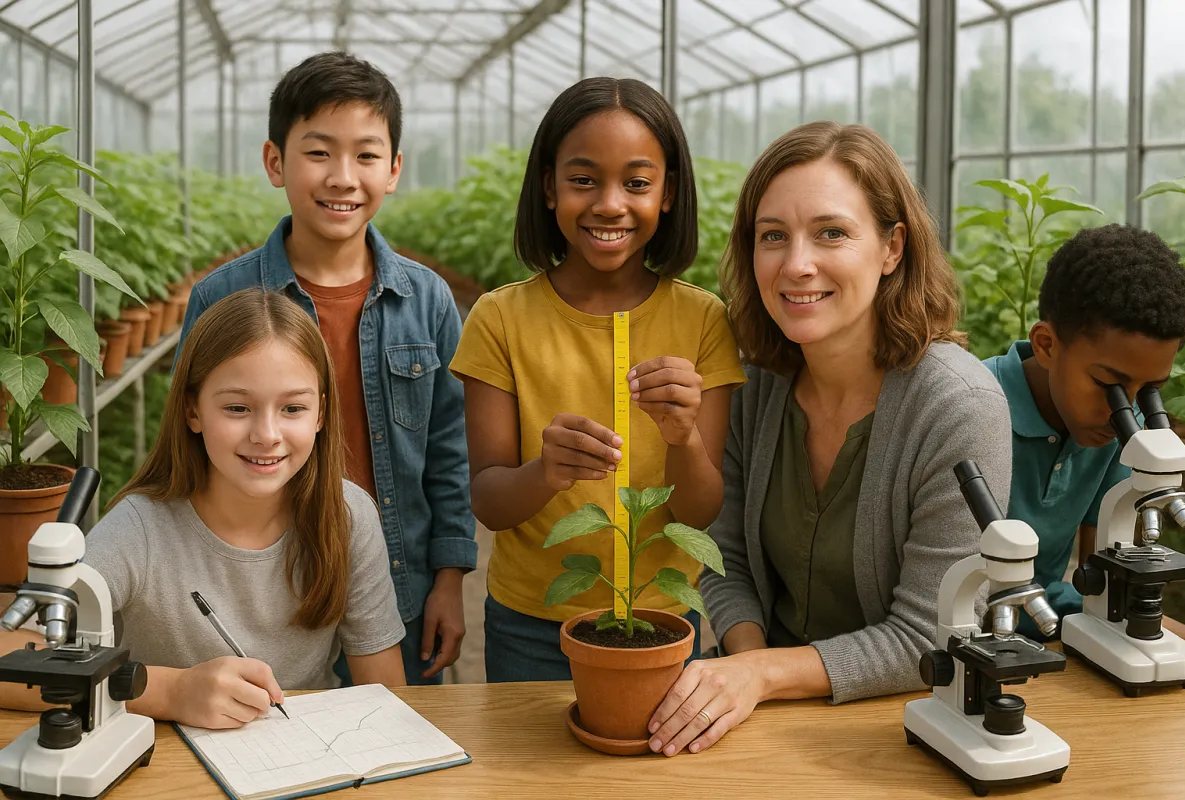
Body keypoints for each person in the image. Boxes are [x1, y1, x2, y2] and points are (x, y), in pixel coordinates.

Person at [646, 121, 1013, 757]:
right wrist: (747, 672)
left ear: (893, 247)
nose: (796, 265)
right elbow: (721, 552)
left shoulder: (958, 407)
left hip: (907, 728)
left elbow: (930, 634)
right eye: (772, 237)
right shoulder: (759, 381)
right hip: (766, 710)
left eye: (832, 233)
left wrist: (759, 677)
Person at [175, 52, 475, 686]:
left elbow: (450, 453)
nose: (343, 177)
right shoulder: (221, 299)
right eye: (319, 153)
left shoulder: (428, 300)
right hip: (266, 594)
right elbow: (190, 450)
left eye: (366, 155)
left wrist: (449, 581)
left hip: (402, 586)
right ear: (275, 162)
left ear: (393, 170)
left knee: (394, 748)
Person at [449, 77, 746, 683]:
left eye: (637, 183)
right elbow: (489, 502)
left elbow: (699, 512)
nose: (610, 203)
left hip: (662, 623)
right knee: (536, 776)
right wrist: (545, 473)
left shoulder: (703, 320)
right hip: (531, 621)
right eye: (583, 179)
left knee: (648, 778)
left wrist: (684, 437)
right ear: (548, 188)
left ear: (668, 195)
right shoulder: (500, 318)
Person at [0, 289, 407, 728]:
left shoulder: (349, 516)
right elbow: (10, 654)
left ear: (321, 414)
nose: (267, 434)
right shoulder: (141, 528)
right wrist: (171, 691)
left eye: (293, 408)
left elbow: (388, 697)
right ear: (193, 410)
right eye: (237, 407)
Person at [983, 223, 1185, 639]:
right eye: (1108, 387)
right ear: (1046, 345)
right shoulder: (972, 407)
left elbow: (1100, 575)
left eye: (1148, 391)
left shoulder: (1116, 428)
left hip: (1040, 629)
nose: (1124, 418)